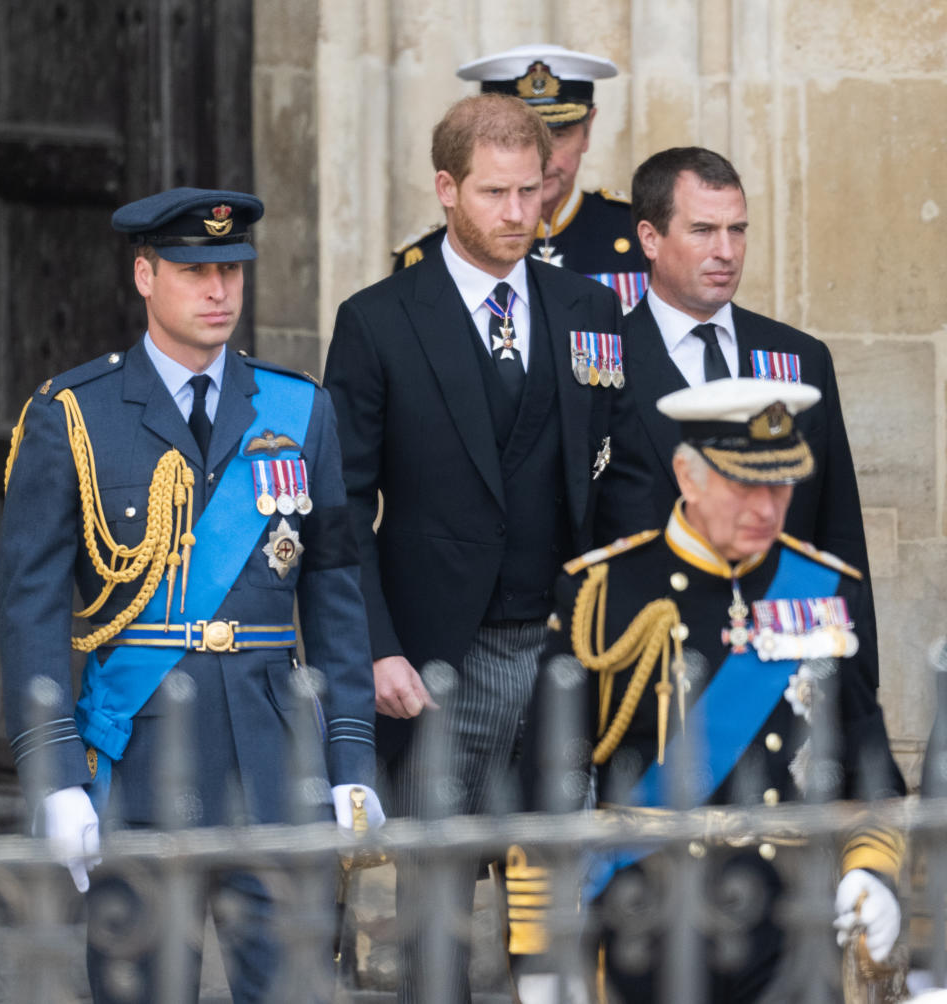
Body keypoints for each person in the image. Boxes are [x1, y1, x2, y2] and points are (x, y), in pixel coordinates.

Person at [0, 187, 382, 1002]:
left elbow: (336, 591)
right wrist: (55, 774)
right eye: (194, 270)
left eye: (232, 271)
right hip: (139, 762)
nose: (218, 290)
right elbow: (29, 609)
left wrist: (351, 757)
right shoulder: (74, 415)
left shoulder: (297, 408)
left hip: (275, 763)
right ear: (145, 275)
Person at [324, 93, 649, 1003]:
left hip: (559, 646)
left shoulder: (589, 307)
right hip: (434, 657)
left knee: (553, 902)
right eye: (496, 193)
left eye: (532, 192)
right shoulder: (379, 320)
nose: (519, 215)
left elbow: (620, 474)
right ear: (446, 190)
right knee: (434, 909)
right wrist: (376, 647)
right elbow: (343, 505)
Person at [511, 377, 905, 1003]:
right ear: (688, 477)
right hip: (647, 915)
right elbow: (546, 783)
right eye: (744, 485)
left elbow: (870, 767)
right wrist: (541, 949)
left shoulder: (825, 590)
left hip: (792, 923)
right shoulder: (604, 592)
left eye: (780, 485)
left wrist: (870, 873)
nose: (767, 509)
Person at [598, 146, 879, 686]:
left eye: (738, 230)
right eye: (703, 230)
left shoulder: (799, 358)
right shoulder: (602, 362)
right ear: (650, 239)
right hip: (651, 664)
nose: (725, 251)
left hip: (781, 662)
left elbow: (837, 532)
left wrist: (858, 682)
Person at [393, 43, 650, 314]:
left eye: (559, 134)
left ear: (587, 131)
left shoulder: (637, 234)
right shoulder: (427, 255)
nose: (542, 159)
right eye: (516, 143)